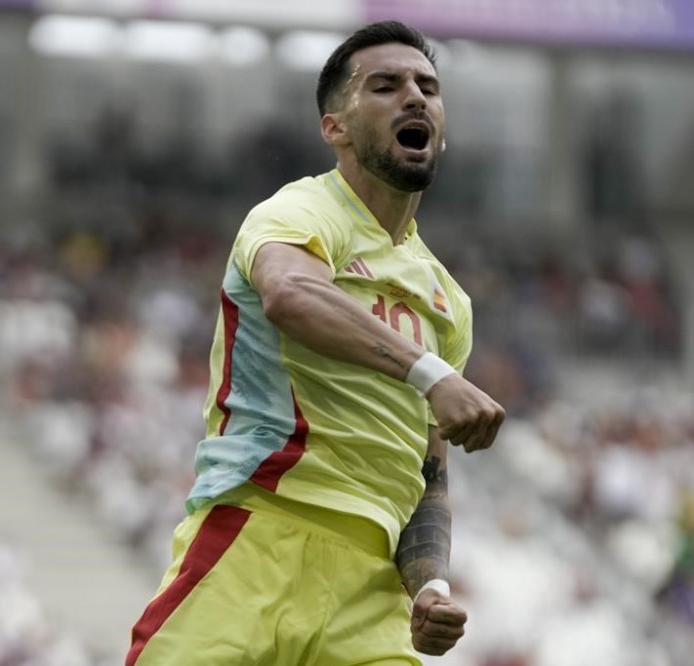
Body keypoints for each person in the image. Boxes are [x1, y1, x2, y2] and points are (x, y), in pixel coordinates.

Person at [126, 20, 505, 665]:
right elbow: (290, 295)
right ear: (335, 126)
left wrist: (430, 584)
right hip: (254, 544)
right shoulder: (298, 214)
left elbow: (427, 474)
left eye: (428, 88)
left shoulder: (448, 299)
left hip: (371, 593)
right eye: (385, 86)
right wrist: (431, 374)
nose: (415, 97)